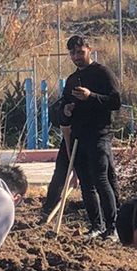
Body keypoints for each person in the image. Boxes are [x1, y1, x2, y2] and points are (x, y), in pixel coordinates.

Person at [43, 32, 121, 238]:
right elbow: (64, 104)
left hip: (99, 135)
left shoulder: (103, 73)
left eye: (80, 51)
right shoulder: (71, 80)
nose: (77, 56)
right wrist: (66, 110)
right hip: (78, 137)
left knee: (101, 180)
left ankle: (112, 228)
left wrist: (91, 96)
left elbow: (115, 102)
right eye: (72, 53)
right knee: (86, 184)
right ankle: (96, 226)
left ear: (89, 50)